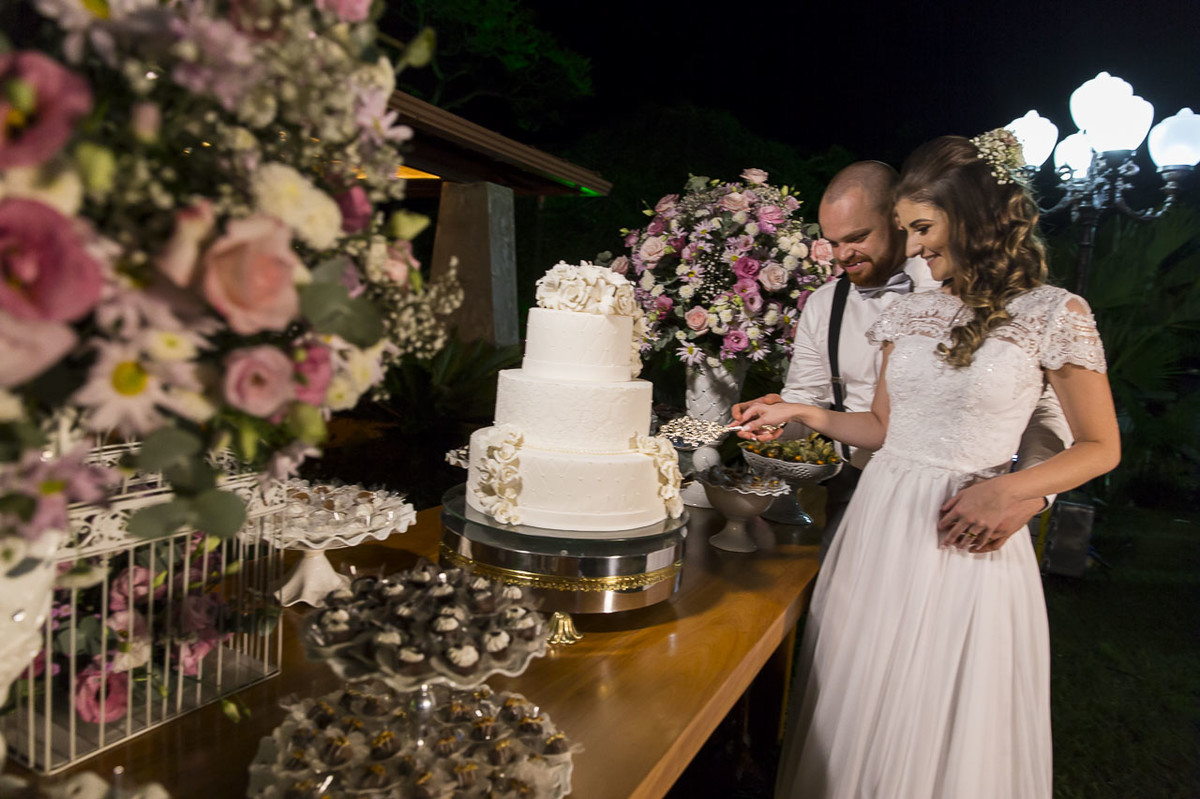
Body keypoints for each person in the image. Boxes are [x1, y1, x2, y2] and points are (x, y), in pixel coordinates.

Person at [739, 132, 1121, 799]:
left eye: (921, 227)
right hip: (880, 528)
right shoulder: (908, 312)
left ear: (973, 213)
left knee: (946, 716)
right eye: (906, 230)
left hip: (965, 543)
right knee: (858, 708)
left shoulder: (1055, 313)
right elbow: (883, 427)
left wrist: (1013, 491)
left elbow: (1098, 445)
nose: (912, 247)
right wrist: (801, 412)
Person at [732, 161, 1069, 560]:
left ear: (897, 220)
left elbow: (1046, 412)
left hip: (972, 500)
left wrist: (1030, 496)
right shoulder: (824, 305)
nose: (842, 256)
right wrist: (779, 419)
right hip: (859, 487)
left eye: (857, 238)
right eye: (833, 243)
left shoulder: (972, 290)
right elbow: (809, 398)